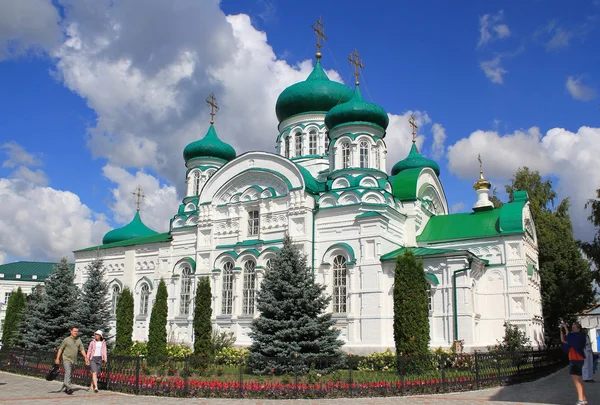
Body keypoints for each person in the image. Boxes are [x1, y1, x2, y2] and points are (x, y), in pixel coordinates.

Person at [560, 321, 588, 405]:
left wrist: (565, 328)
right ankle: (584, 399)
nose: (572, 328)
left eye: (574, 326)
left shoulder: (579, 336)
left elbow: (570, 336)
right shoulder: (573, 337)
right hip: (575, 360)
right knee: (579, 380)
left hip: (576, 360)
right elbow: (563, 340)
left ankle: (580, 400)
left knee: (577, 381)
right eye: (572, 326)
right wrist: (561, 330)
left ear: (578, 329)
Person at [55, 327, 88, 395]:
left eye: (77, 331)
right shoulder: (66, 340)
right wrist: (57, 358)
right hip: (66, 358)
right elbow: (60, 349)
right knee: (68, 372)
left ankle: (66, 387)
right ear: (71, 331)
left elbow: (81, 349)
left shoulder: (78, 340)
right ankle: (69, 388)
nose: (76, 332)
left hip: (74, 360)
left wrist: (85, 356)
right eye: (75, 331)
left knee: (69, 374)